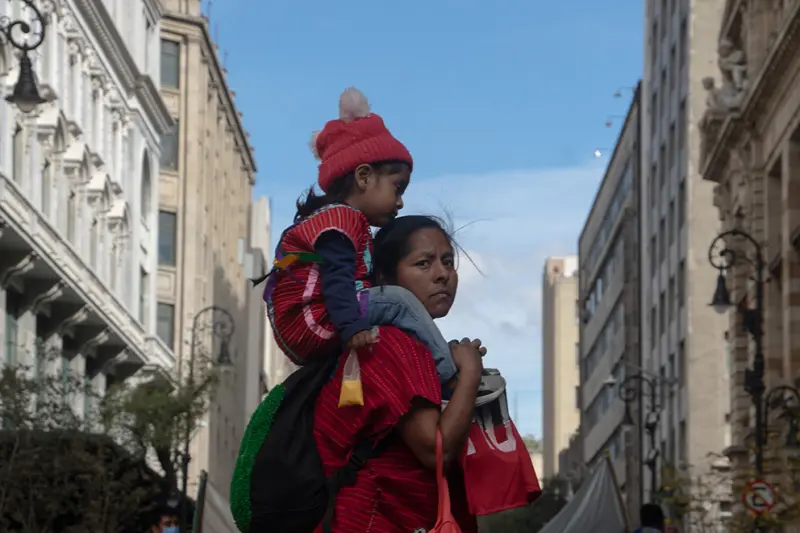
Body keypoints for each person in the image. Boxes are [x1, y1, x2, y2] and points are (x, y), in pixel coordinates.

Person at [256, 87, 459, 391]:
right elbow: (336, 277)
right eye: (397, 188)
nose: (400, 202)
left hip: (310, 326)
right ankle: (448, 374)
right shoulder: (341, 219)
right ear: (364, 177)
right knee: (399, 301)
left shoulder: (336, 221)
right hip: (317, 319)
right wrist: (352, 327)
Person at [312, 215, 483, 533]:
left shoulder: (417, 349)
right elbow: (437, 451)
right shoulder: (389, 343)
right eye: (423, 263)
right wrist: (471, 375)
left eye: (448, 262)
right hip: (373, 521)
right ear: (385, 278)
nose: (442, 274)